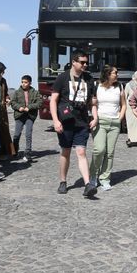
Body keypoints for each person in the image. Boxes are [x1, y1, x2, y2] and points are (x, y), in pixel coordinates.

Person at [50, 50, 98, 197]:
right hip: (65, 122)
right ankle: (63, 181)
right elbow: (53, 100)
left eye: (86, 62)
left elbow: (93, 102)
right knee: (65, 152)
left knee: (81, 152)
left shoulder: (89, 79)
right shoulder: (62, 78)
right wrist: (56, 121)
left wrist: (95, 117)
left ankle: (88, 184)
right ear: (74, 62)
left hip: (82, 122)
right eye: (82, 62)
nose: (85, 65)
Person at [89, 65, 127, 191]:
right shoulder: (97, 86)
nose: (117, 75)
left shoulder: (120, 86)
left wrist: (119, 118)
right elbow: (93, 104)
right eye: (114, 73)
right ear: (107, 74)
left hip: (114, 124)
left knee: (109, 153)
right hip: (100, 121)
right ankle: (92, 176)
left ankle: (105, 178)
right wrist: (95, 118)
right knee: (99, 150)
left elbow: (123, 104)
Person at [10, 75, 41, 163]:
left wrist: (30, 107)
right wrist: (19, 107)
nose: (24, 84)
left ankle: (28, 153)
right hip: (19, 115)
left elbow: (39, 103)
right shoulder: (17, 92)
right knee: (16, 134)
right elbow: (13, 102)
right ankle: (14, 151)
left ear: (30, 83)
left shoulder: (35, 92)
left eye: (26, 82)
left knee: (28, 134)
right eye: (22, 82)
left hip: (30, 116)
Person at [125, 70, 137, 147]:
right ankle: (132, 140)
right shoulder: (129, 85)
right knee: (131, 124)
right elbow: (125, 96)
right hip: (130, 108)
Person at [0, 76, 16, 160]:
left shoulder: (3, 80)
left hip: (2, 109)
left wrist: (7, 98)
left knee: (4, 129)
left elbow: (5, 93)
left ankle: (4, 152)